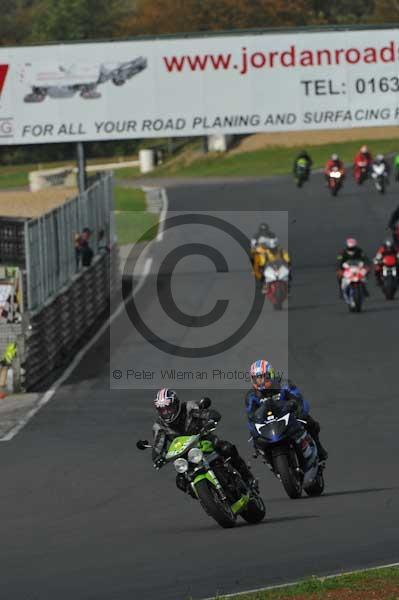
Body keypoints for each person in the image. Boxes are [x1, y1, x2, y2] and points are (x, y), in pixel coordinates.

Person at [152, 388, 258, 491]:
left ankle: (248, 477)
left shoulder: (188, 408)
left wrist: (210, 419)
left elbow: (207, 413)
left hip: (204, 441)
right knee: (181, 482)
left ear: (176, 404)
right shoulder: (160, 426)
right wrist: (158, 458)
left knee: (227, 448)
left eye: (168, 408)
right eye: (162, 410)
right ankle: (208, 499)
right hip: (185, 457)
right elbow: (158, 444)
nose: (166, 413)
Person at [245, 360, 328, 461]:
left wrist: (297, 410)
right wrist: (254, 431)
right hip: (268, 425)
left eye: (264, 377)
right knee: (256, 441)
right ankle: (267, 458)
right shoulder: (251, 396)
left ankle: (318, 449)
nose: (261, 381)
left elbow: (299, 400)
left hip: (288, 417)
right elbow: (250, 416)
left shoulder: (284, 384)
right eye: (257, 378)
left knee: (310, 423)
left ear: (271, 375)